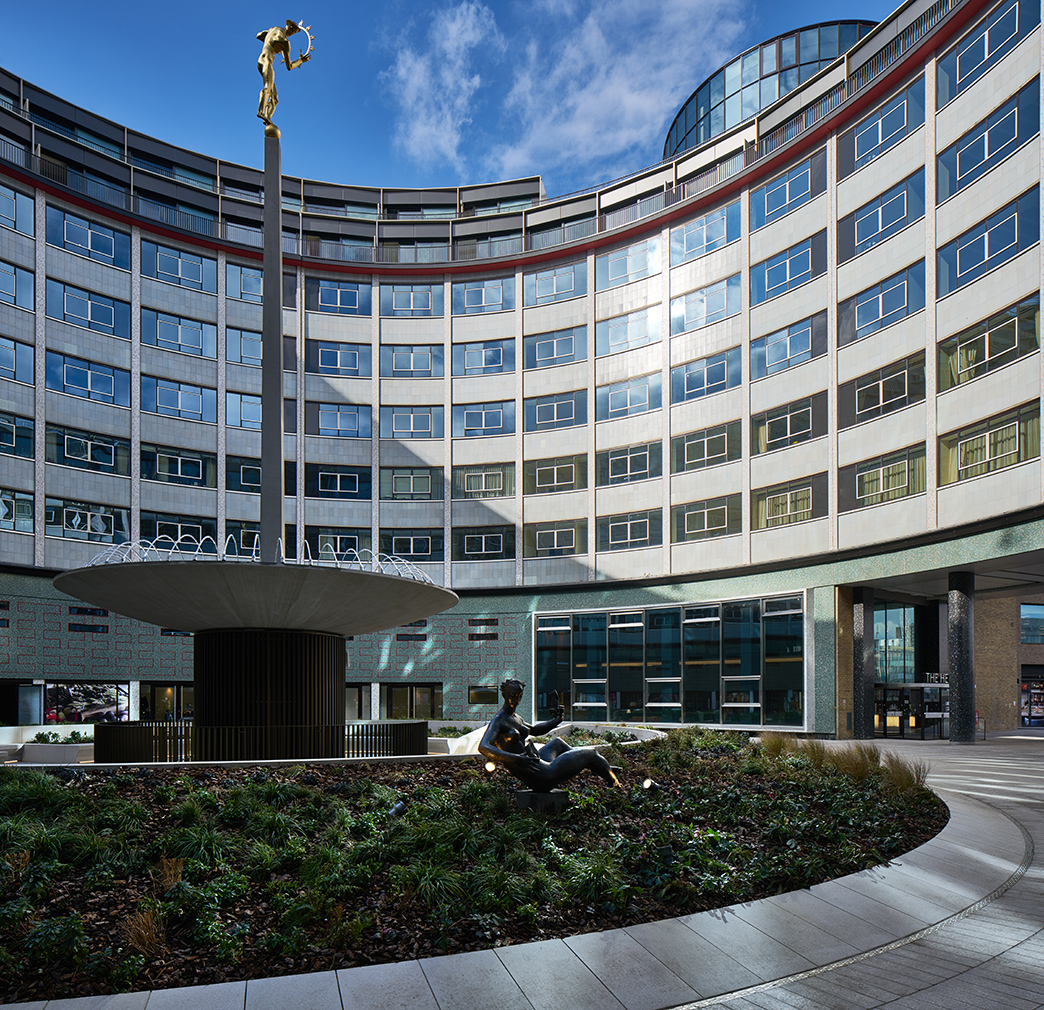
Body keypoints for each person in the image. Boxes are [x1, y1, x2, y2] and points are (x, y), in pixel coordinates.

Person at [478, 678, 621, 792]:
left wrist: (556, 720)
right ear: (504, 695)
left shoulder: (516, 717)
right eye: (512, 696)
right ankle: (613, 782)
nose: (516, 700)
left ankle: (599, 765)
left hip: (537, 763)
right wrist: (515, 759)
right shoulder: (499, 720)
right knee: (591, 753)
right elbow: (483, 747)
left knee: (558, 742)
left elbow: (534, 730)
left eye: (520, 696)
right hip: (542, 776)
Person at [256, 21, 311, 127]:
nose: (292, 33)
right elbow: (289, 67)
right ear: (289, 27)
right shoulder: (285, 42)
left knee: (275, 98)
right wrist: (300, 61)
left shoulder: (273, 29)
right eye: (293, 31)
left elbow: (259, 35)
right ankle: (261, 112)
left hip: (260, 59)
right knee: (268, 86)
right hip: (267, 59)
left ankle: (267, 117)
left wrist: (269, 39)